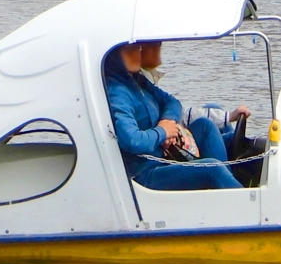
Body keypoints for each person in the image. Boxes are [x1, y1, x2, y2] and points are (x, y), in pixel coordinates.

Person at [102, 42, 244, 191]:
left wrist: (168, 121)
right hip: (146, 172)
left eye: (137, 48)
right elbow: (131, 140)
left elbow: (173, 102)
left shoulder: (137, 82)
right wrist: (162, 132)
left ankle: (225, 188)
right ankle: (237, 200)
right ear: (113, 55)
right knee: (213, 169)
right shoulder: (117, 92)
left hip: (167, 155)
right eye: (129, 49)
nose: (137, 53)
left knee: (205, 125)